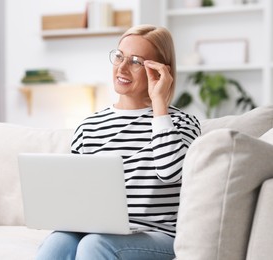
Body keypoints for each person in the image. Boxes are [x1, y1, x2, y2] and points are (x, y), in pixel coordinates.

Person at [36, 24, 201, 260]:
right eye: (119, 57)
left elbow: (170, 172)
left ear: (160, 71)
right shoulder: (89, 127)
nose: (122, 68)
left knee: (95, 245)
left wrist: (159, 107)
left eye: (135, 61)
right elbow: (74, 196)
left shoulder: (182, 123)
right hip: (102, 232)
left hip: (158, 236)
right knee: (58, 241)